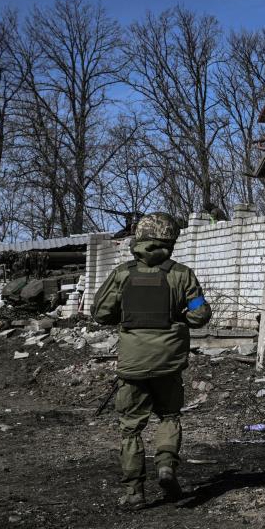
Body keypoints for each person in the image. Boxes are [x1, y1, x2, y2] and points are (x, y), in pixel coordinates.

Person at [92, 212, 211, 509]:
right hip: (169, 362)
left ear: (139, 238)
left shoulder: (122, 274)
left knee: (131, 427)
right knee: (169, 417)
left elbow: (100, 313)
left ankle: (134, 492)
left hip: (133, 364)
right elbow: (201, 314)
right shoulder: (182, 274)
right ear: (171, 239)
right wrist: (178, 316)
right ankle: (166, 466)